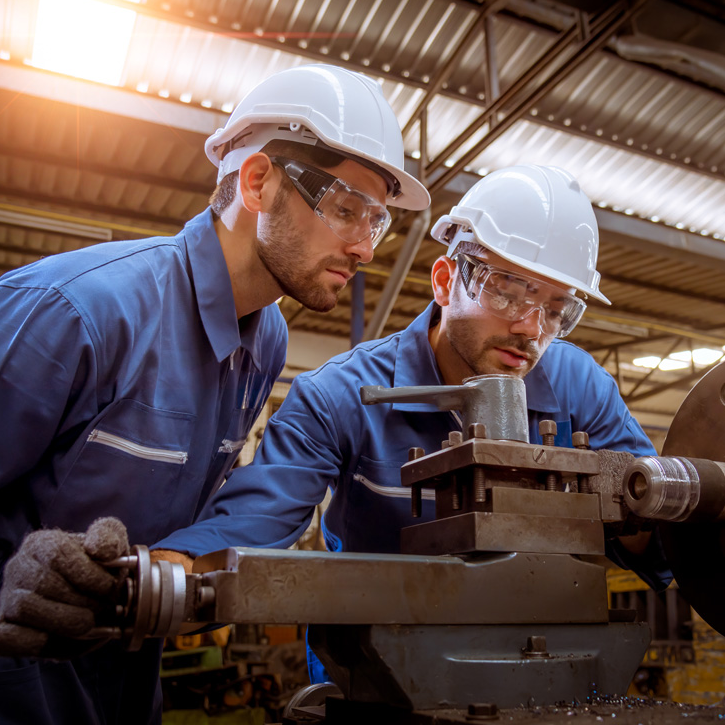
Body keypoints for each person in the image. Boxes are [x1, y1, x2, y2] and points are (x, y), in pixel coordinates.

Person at [0, 63, 430, 724]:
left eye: (376, 221)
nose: (364, 248)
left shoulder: (264, 341)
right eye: (346, 208)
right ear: (257, 181)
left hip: (121, 678)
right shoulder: (75, 313)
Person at [145, 164, 673, 681]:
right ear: (445, 280)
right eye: (508, 292)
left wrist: (635, 512)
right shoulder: (341, 396)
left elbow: (664, 539)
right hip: (378, 669)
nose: (530, 329)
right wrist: (159, 575)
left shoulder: (582, 387)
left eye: (556, 309)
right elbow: (255, 524)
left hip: (542, 662)